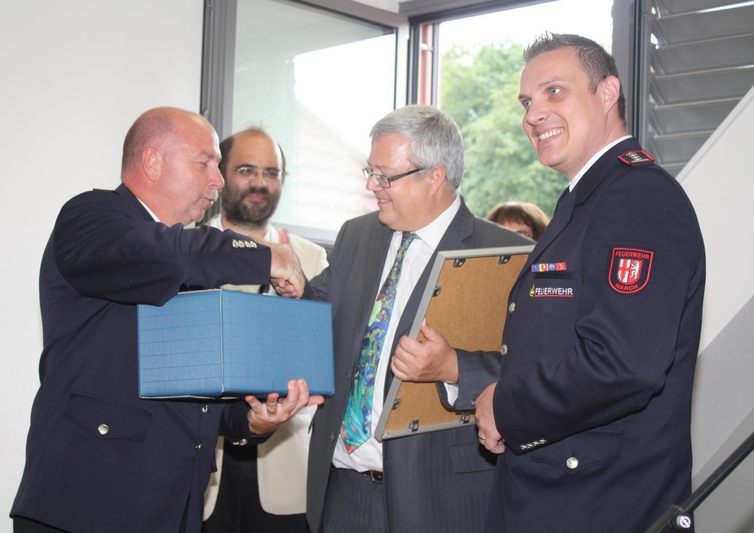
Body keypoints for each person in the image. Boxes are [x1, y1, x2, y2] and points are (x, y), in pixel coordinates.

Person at [10, 107, 323, 533]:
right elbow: (165, 254)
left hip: (171, 509)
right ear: (153, 162)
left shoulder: (190, 262)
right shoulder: (91, 218)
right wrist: (264, 255)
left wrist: (252, 420)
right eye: (204, 163)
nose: (217, 180)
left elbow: (193, 392)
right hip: (84, 507)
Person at [474, 34, 706, 532]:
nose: (534, 114)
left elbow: (624, 364)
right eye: (526, 102)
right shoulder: (586, 200)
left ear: (608, 93)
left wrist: (506, 405)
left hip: (600, 507)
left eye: (554, 91)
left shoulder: (636, 196)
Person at [305, 105, 531, 533]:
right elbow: (315, 310)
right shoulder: (356, 235)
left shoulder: (506, 255)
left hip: (439, 500)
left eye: (385, 176)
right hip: (342, 492)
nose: (372, 185)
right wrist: (286, 281)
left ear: (434, 177)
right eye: (370, 172)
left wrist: (453, 367)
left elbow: (535, 371)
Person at [202, 127, 328, 532]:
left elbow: (326, 354)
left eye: (271, 173)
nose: (260, 182)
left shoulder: (311, 257)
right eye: (246, 170)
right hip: (203, 468)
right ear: (220, 174)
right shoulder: (185, 249)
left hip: (285, 467)